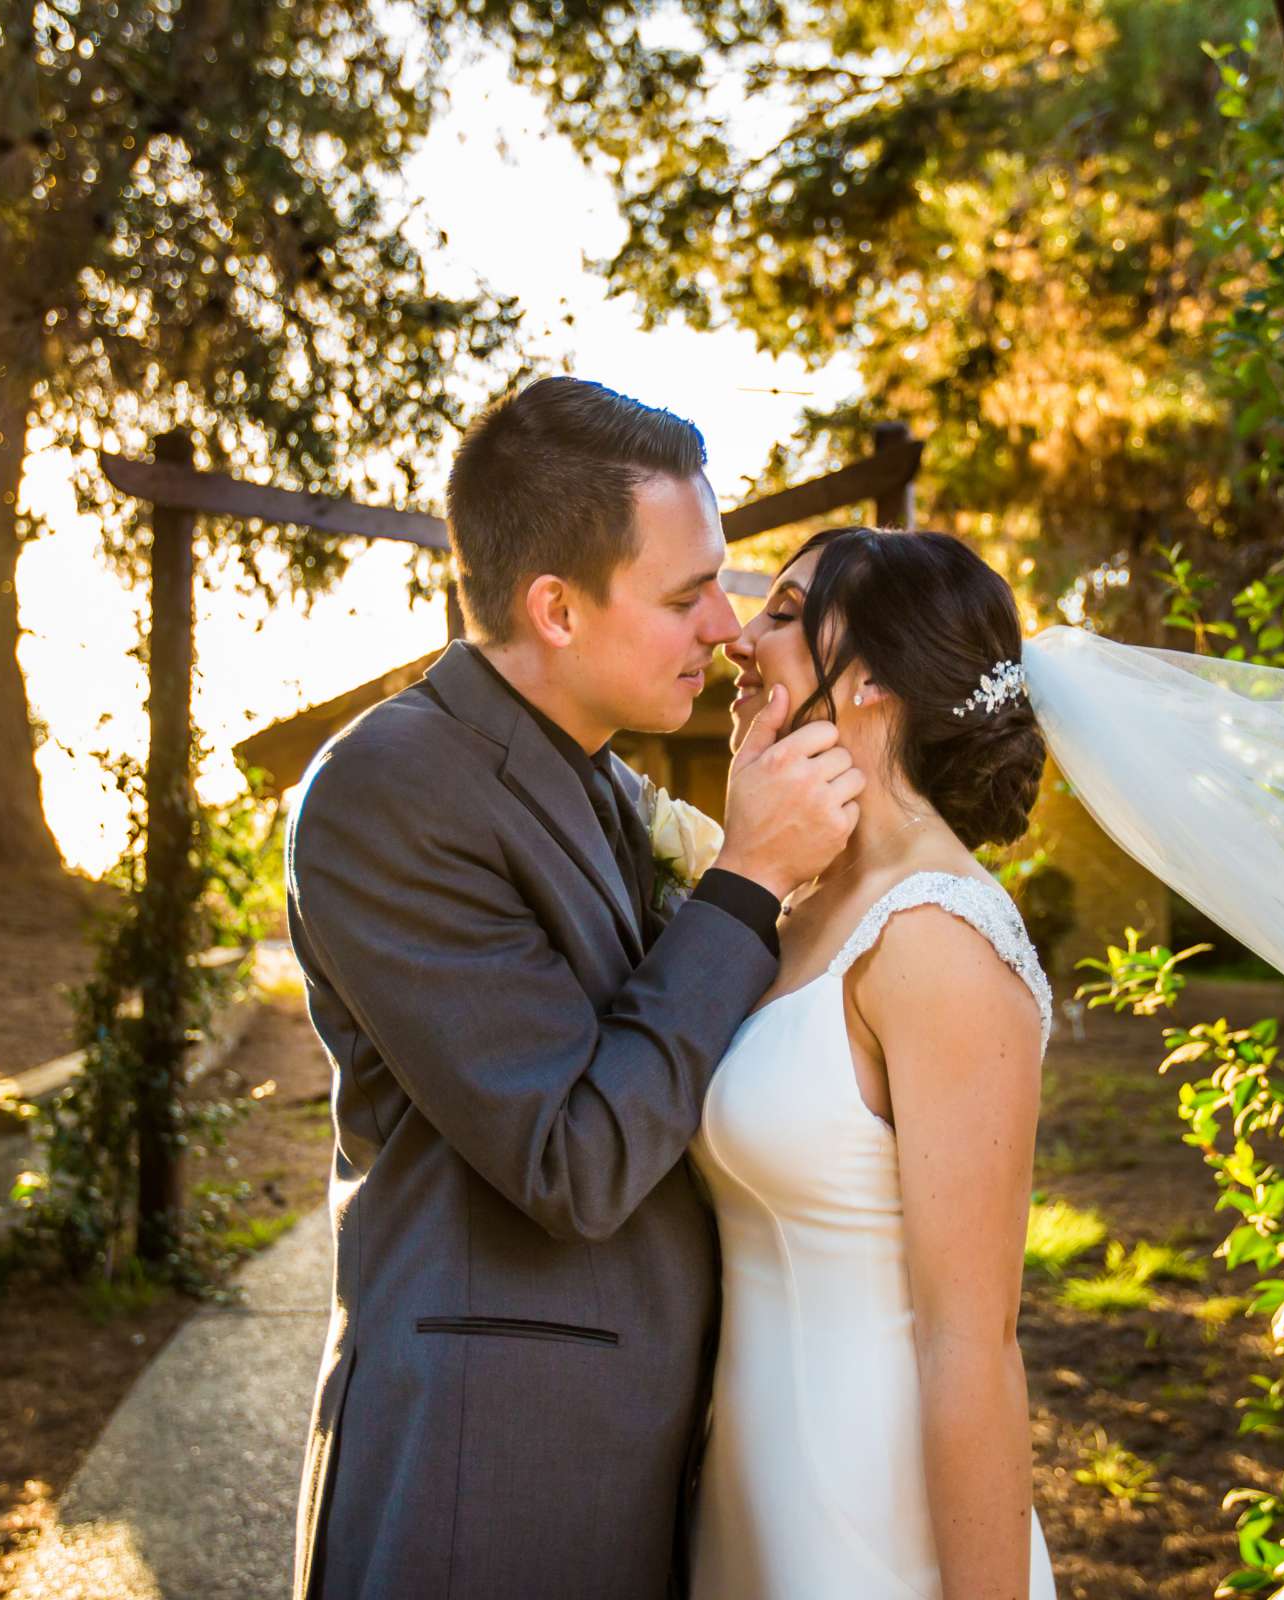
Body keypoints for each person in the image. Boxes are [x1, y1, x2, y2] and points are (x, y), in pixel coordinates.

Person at [284, 377, 863, 1600]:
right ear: (555, 606)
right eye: (684, 591)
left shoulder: (597, 780)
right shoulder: (390, 791)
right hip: (489, 1474)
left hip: (644, 1454)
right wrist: (750, 877)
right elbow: (573, 1155)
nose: (726, 623)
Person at [690, 526, 1060, 1600]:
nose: (738, 642)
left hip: (875, 1537)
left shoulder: (941, 939)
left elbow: (973, 1346)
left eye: (782, 612)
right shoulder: (800, 908)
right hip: (748, 1520)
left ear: (874, 683)